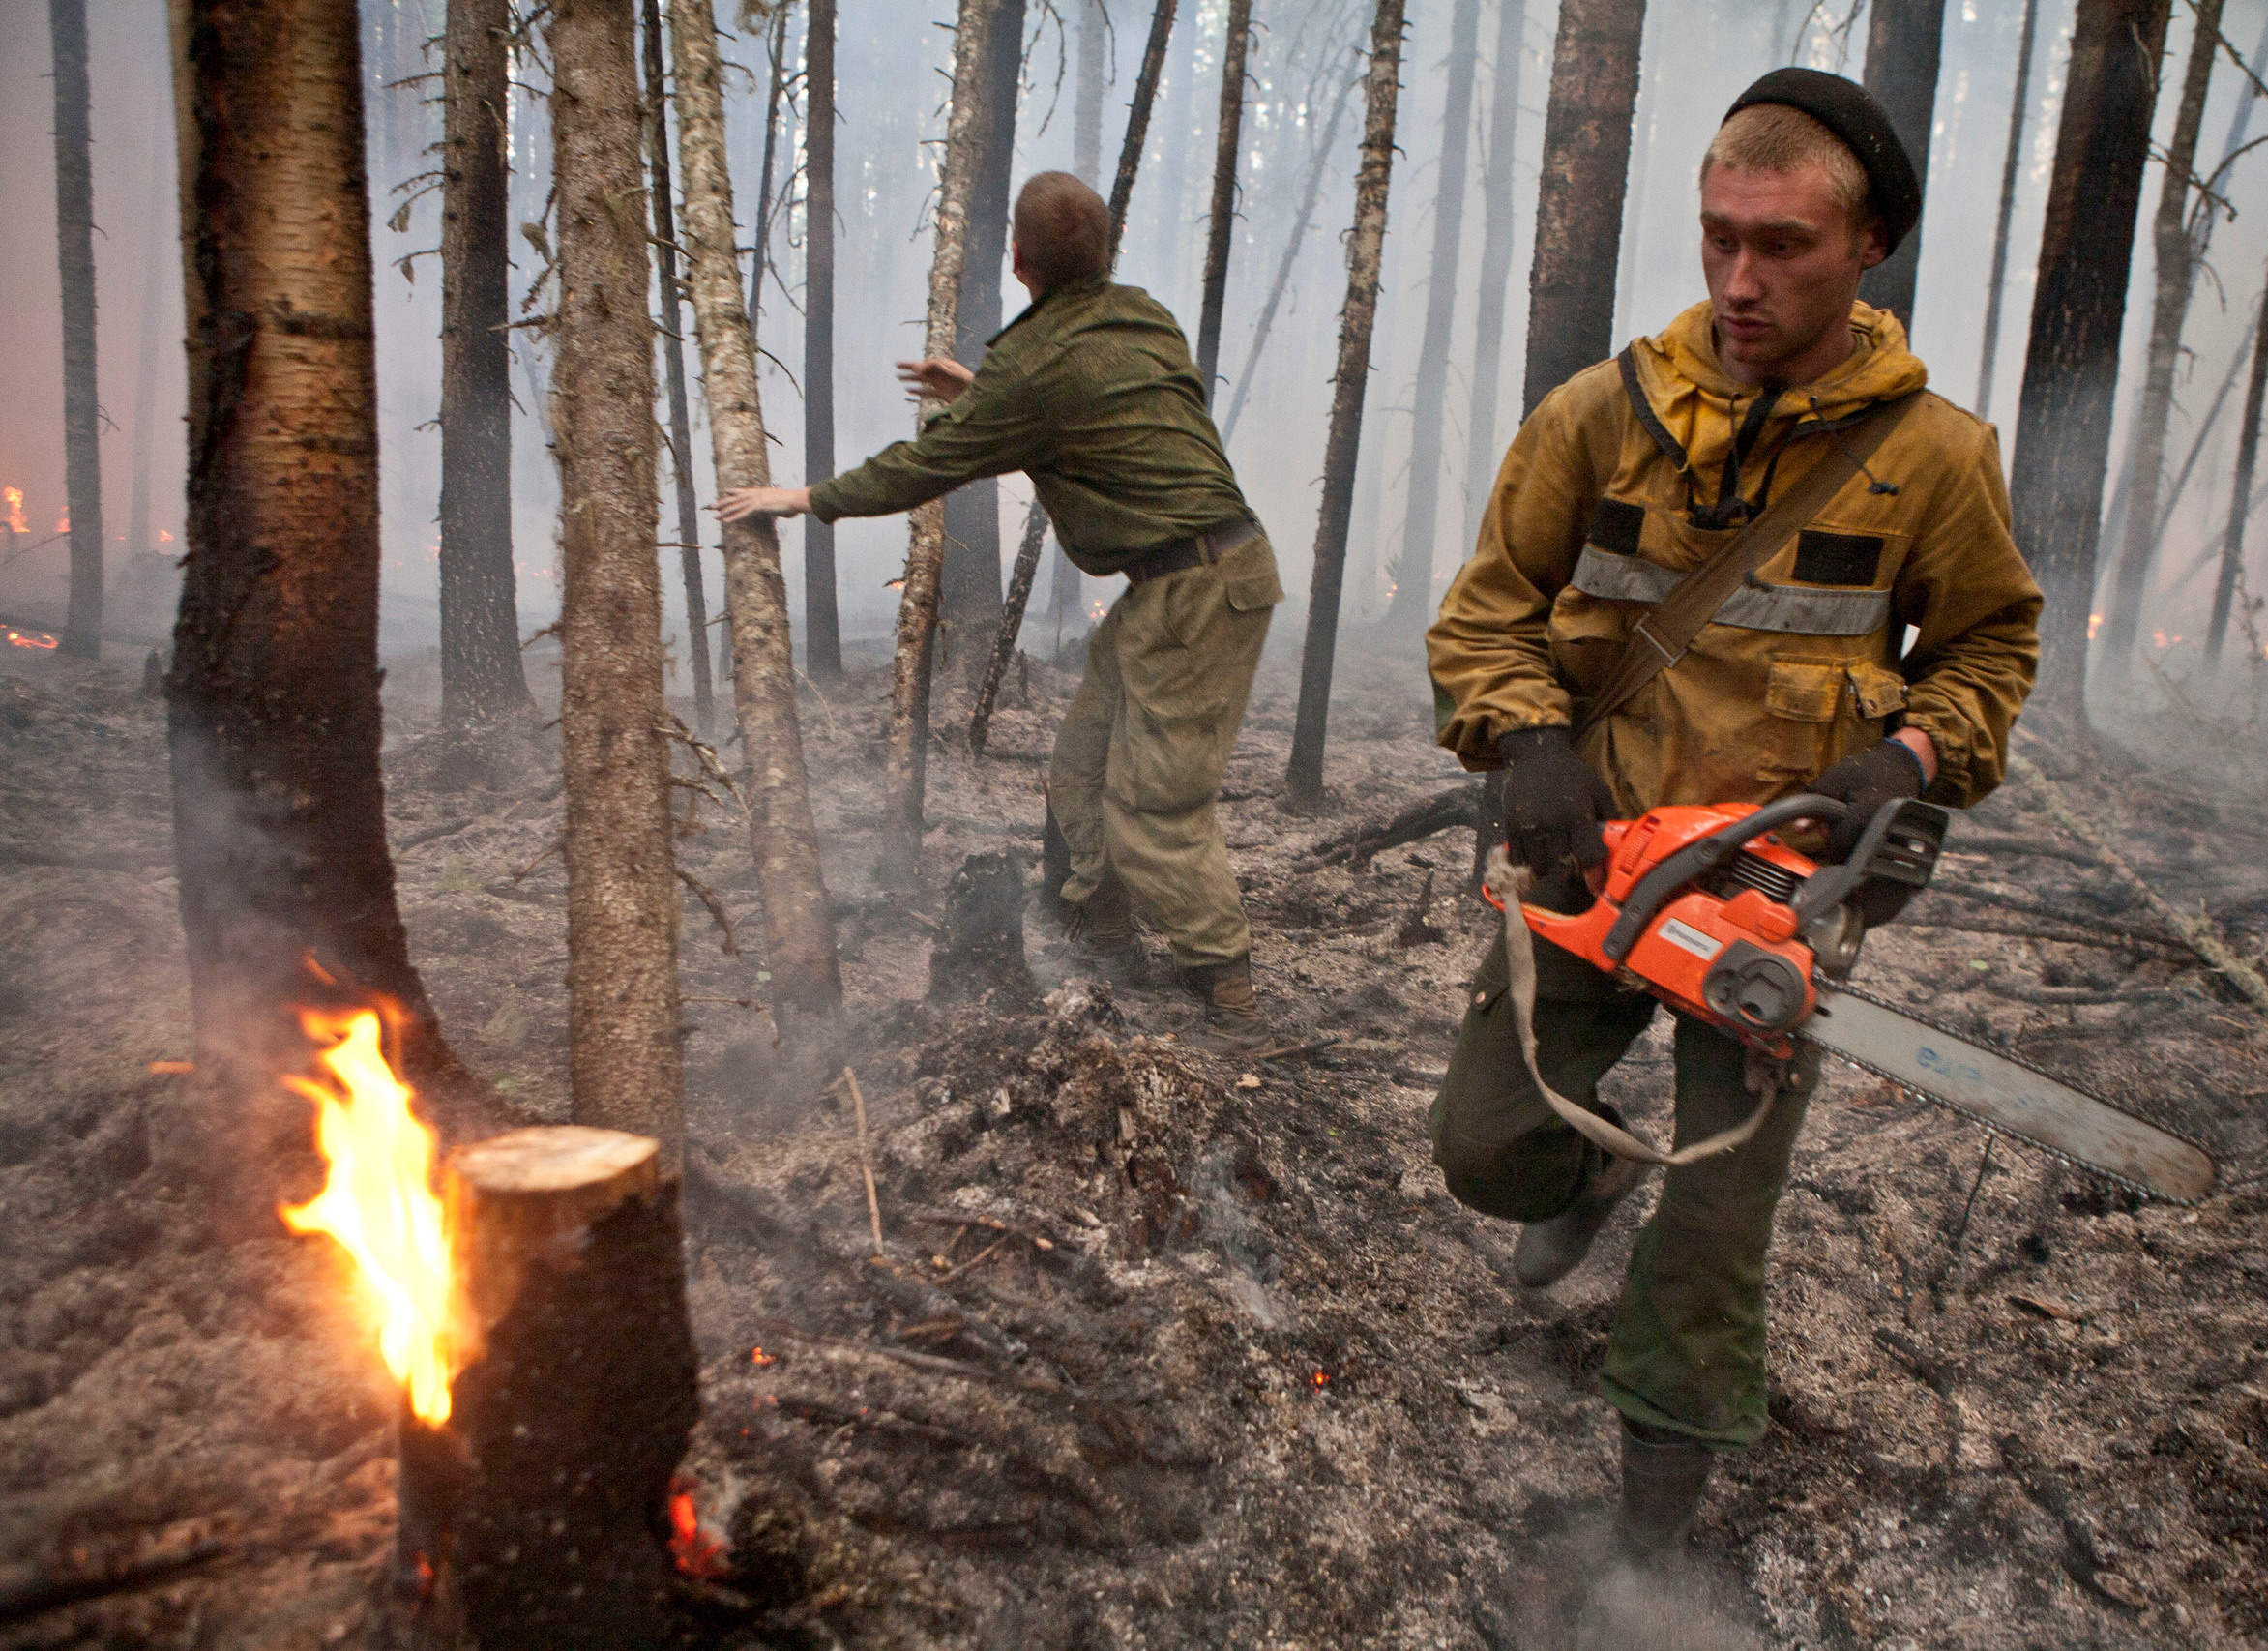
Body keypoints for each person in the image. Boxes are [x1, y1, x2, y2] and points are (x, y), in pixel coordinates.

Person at [1423, 69, 2043, 1563]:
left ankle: (1650, 1534)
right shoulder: (1599, 414)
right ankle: (1595, 1169)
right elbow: (1484, 617)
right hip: (1599, 861)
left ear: (1868, 245)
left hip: (1773, 895)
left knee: (1714, 1240)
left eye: (1785, 246)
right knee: (1482, 1144)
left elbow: (1987, 649)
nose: (1742, 279)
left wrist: (1909, 756)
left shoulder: (1936, 459)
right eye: (1720, 240)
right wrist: (1526, 740)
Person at [718, 171, 1282, 1054]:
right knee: (1081, 766)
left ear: (1017, 261)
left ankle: (1234, 997)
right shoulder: (1144, 318)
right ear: (1109, 251)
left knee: (1156, 807)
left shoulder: (1038, 364)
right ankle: (1102, 935)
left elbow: (925, 467)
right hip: (1195, 578)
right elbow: (1101, 405)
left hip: (1195, 592)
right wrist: (986, 393)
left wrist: (804, 496)